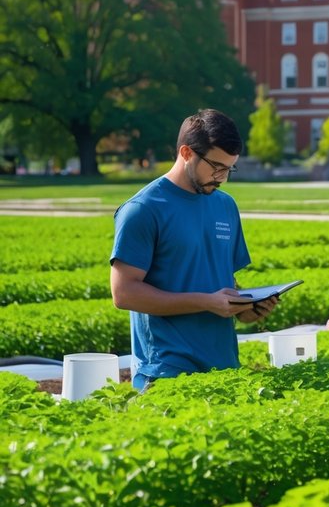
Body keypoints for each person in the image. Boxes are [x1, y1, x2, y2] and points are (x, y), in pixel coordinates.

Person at [110, 109, 278, 391]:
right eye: (216, 166)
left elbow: (220, 279)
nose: (222, 177)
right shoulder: (142, 210)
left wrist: (245, 309)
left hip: (225, 367)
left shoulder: (225, 206)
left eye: (229, 168)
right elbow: (124, 293)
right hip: (165, 372)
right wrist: (206, 301)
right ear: (187, 152)